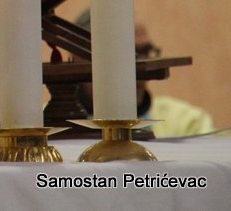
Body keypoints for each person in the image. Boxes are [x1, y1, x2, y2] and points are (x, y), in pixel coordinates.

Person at [73, 10, 215, 138]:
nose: (140, 68)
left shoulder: (188, 124)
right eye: (127, 52)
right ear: (80, 58)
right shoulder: (59, 128)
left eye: (145, 52)